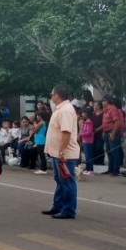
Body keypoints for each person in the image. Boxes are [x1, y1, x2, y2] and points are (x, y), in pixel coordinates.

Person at [42, 85, 81, 219]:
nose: (51, 96)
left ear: (57, 95)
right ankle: (57, 206)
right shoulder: (61, 109)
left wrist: (62, 151)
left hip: (65, 154)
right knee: (59, 180)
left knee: (67, 181)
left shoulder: (66, 110)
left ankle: (69, 210)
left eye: (52, 94)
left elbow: (66, 132)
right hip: (56, 152)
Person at [101, 96, 123, 176]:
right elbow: (105, 123)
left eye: (103, 101)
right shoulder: (105, 110)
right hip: (106, 132)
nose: (102, 103)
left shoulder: (113, 109)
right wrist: (103, 132)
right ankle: (110, 169)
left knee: (114, 151)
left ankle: (116, 169)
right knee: (109, 151)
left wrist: (113, 133)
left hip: (112, 132)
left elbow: (117, 122)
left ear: (107, 102)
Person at [79, 110, 96, 175]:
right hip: (84, 140)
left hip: (88, 141)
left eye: (83, 112)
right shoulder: (85, 122)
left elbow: (89, 132)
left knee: (89, 155)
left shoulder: (89, 122)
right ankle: (87, 168)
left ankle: (90, 169)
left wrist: (82, 134)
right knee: (86, 155)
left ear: (86, 114)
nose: (82, 114)